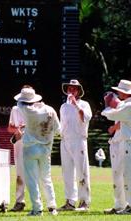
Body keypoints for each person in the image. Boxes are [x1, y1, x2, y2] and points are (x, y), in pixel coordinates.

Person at [15, 86, 60, 216]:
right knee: (46, 178)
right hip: (45, 149)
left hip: (30, 148)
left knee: (32, 180)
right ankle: (52, 207)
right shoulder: (50, 110)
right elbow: (58, 130)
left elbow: (19, 103)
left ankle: (37, 208)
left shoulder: (24, 109)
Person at [102, 79, 131, 215]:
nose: (118, 93)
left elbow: (112, 114)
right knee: (119, 175)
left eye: (119, 91)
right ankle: (120, 205)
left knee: (130, 175)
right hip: (125, 142)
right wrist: (114, 105)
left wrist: (108, 106)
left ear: (125, 93)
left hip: (129, 142)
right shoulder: (129, 104)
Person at [58, 79, 92, 212]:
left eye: (74, 89)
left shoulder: (85, 104)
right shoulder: (63, 107)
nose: (71, 91)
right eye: (69, 89)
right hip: (65, 140)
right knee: (67, 172)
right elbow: (62, 125)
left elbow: (86, 117)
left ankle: (84, 202)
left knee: (82, 171)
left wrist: (76, 104)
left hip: (79, 140)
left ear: (79, 91)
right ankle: (70, 201)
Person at [8, 99, 26, 212]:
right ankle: (20, 202)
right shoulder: (15, 109)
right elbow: (10, 128)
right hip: (19, 143)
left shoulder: (37, 108)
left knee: (36, 174)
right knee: (20, 174)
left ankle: (39, 203)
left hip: (32, 143)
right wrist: (18, 129)